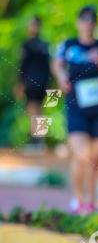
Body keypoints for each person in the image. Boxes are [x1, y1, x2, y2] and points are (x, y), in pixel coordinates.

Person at [53, 5, 98, 213]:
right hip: (76, 107)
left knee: (97, 158)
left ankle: (91, 200)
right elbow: (57, 65)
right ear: (77, 22)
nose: (87, 23)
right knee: (82, 155)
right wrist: (62, 78)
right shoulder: (68, 45)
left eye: (91, 19)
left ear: (96, 23)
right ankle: (77, 198)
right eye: (83, 19)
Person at [17, 17, 51, 150]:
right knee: (40, 110)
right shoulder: (45, 45)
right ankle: (39, 140)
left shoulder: (26, 45)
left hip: (32, 82)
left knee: (33, 109)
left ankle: (35, 140)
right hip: (43, 81)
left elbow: (23, 66)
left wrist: (20, 83)